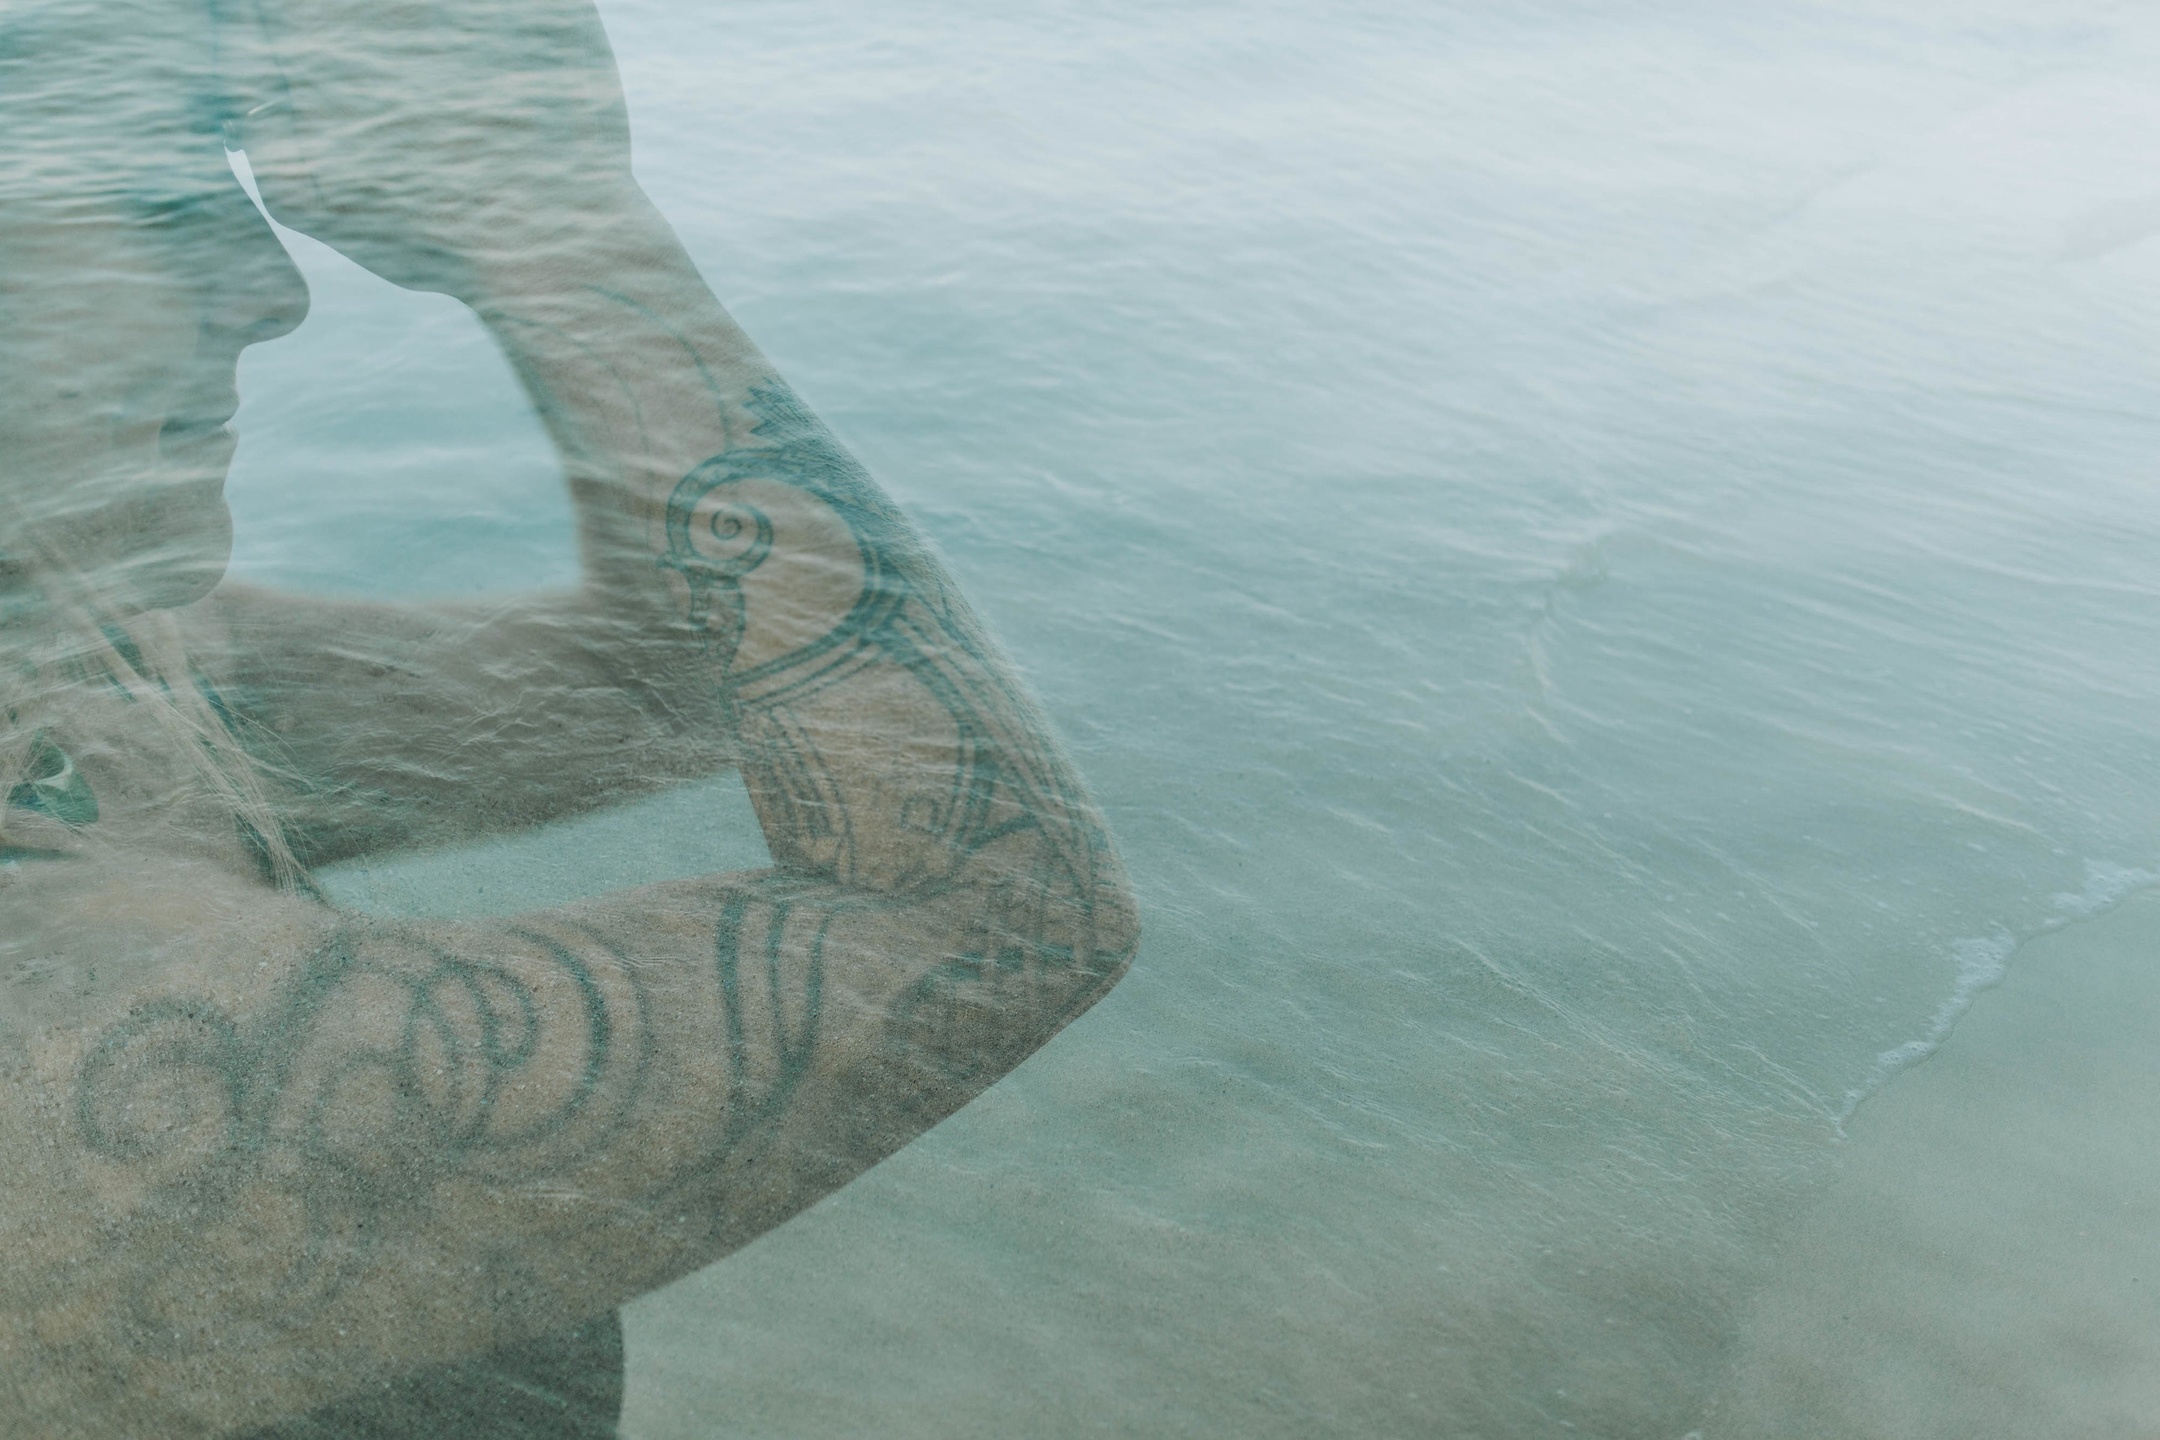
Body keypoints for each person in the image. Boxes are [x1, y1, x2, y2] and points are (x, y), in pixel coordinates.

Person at [0, 0, 1139, 1433]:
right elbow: (998, 913)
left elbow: (656, 678)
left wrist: (517, 200)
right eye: (161, 197)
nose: (272, 292)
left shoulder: (77, 646)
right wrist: (550, 215)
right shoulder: (51, 1041)